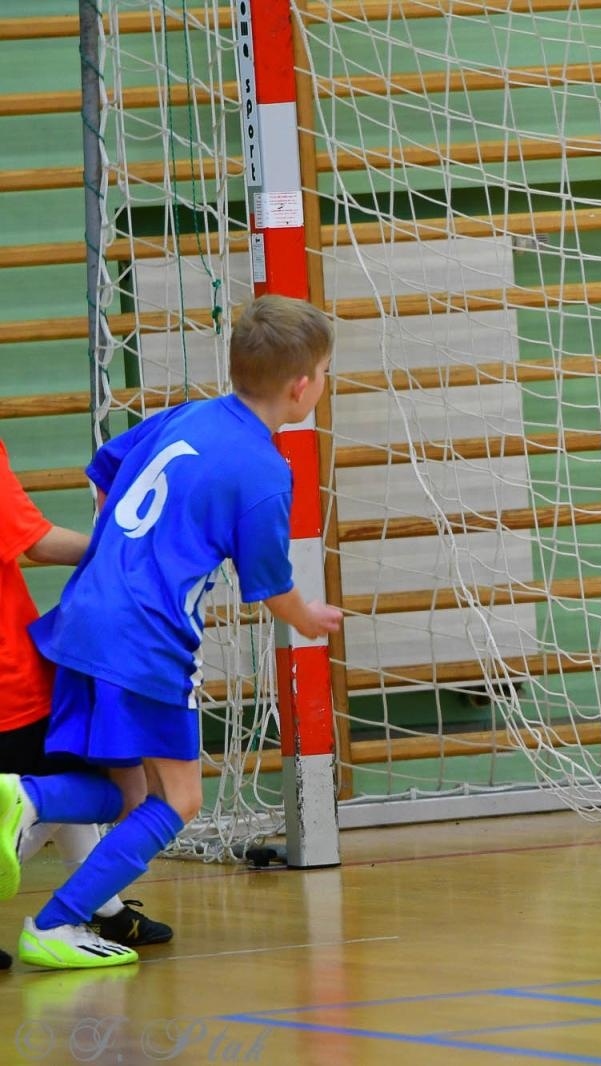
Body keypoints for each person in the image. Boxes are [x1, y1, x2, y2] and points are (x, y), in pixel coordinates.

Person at [0, 295, 344, 968]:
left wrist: (127, 543)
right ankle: (52, 911)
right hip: (146, 640)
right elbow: (271, 587)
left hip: (81, 615)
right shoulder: (266, 473)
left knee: (132, 794)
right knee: (180, 799)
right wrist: (312, 619)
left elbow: (106, 466)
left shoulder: (186, 416)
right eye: (326, 371)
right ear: (303, 386)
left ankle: (30, 806)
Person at [0, 441, 176, 973]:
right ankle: (81, 908)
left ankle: (102, 906)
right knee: (124, 794)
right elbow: (39, 544)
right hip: (10, 685)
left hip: (22, 679)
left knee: (79, 771)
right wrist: (125, 547)